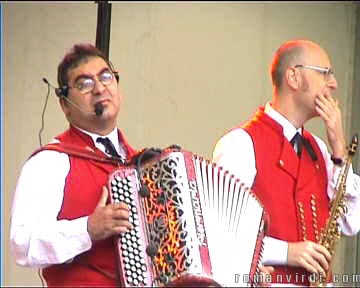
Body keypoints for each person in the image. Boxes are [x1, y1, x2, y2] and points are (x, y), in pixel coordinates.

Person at [212, 39, 360, 286]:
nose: (333, 84)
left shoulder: (321, 149)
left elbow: (351, 222)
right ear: (293, 77)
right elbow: (220, 230)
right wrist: (287, 252)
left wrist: (339, 149)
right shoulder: (240, 143)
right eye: (326, 73)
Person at [10, 43, 136, 286]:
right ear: (65, 105)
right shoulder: (49, 162)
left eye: (106, 77)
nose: (100, 88)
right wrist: (87, 229)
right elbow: (22, 243)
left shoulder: (143, 165)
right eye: (85, 83)